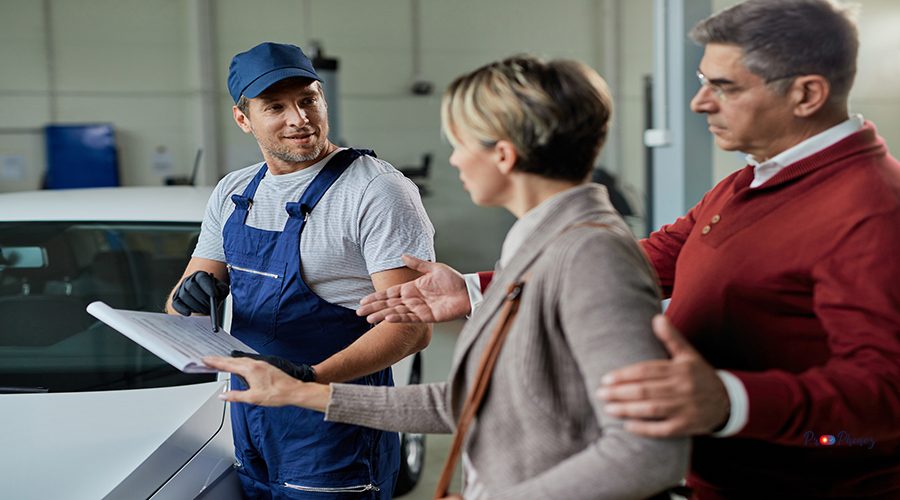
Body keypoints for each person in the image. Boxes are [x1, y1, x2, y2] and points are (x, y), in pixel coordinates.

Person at [353, 1, 900, 497]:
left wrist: (733, 401)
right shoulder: (748, 184)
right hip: (719, 477)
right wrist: (476, 289)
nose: (699, 102)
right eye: (701, 80)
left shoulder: (870, 207)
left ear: (806, 93)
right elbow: (652, 258)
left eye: (724, 86)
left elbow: (886, 394)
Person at [205, 55, 689, 499]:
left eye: (458, 143)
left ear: (503, 155)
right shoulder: (535, 246)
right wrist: (304, 392)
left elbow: (648, 454)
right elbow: (471, 400)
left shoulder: (592, 255)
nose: (454, 159)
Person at [165, 42, 435, 498]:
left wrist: (306, 382)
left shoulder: (376, 190)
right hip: (252, 418)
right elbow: (179, 310)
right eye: (275, 106)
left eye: (308, 100)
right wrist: (189, 296)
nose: (299, 119)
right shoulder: (234, 191)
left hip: (337, 422)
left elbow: (412, 329)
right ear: (243, 118)